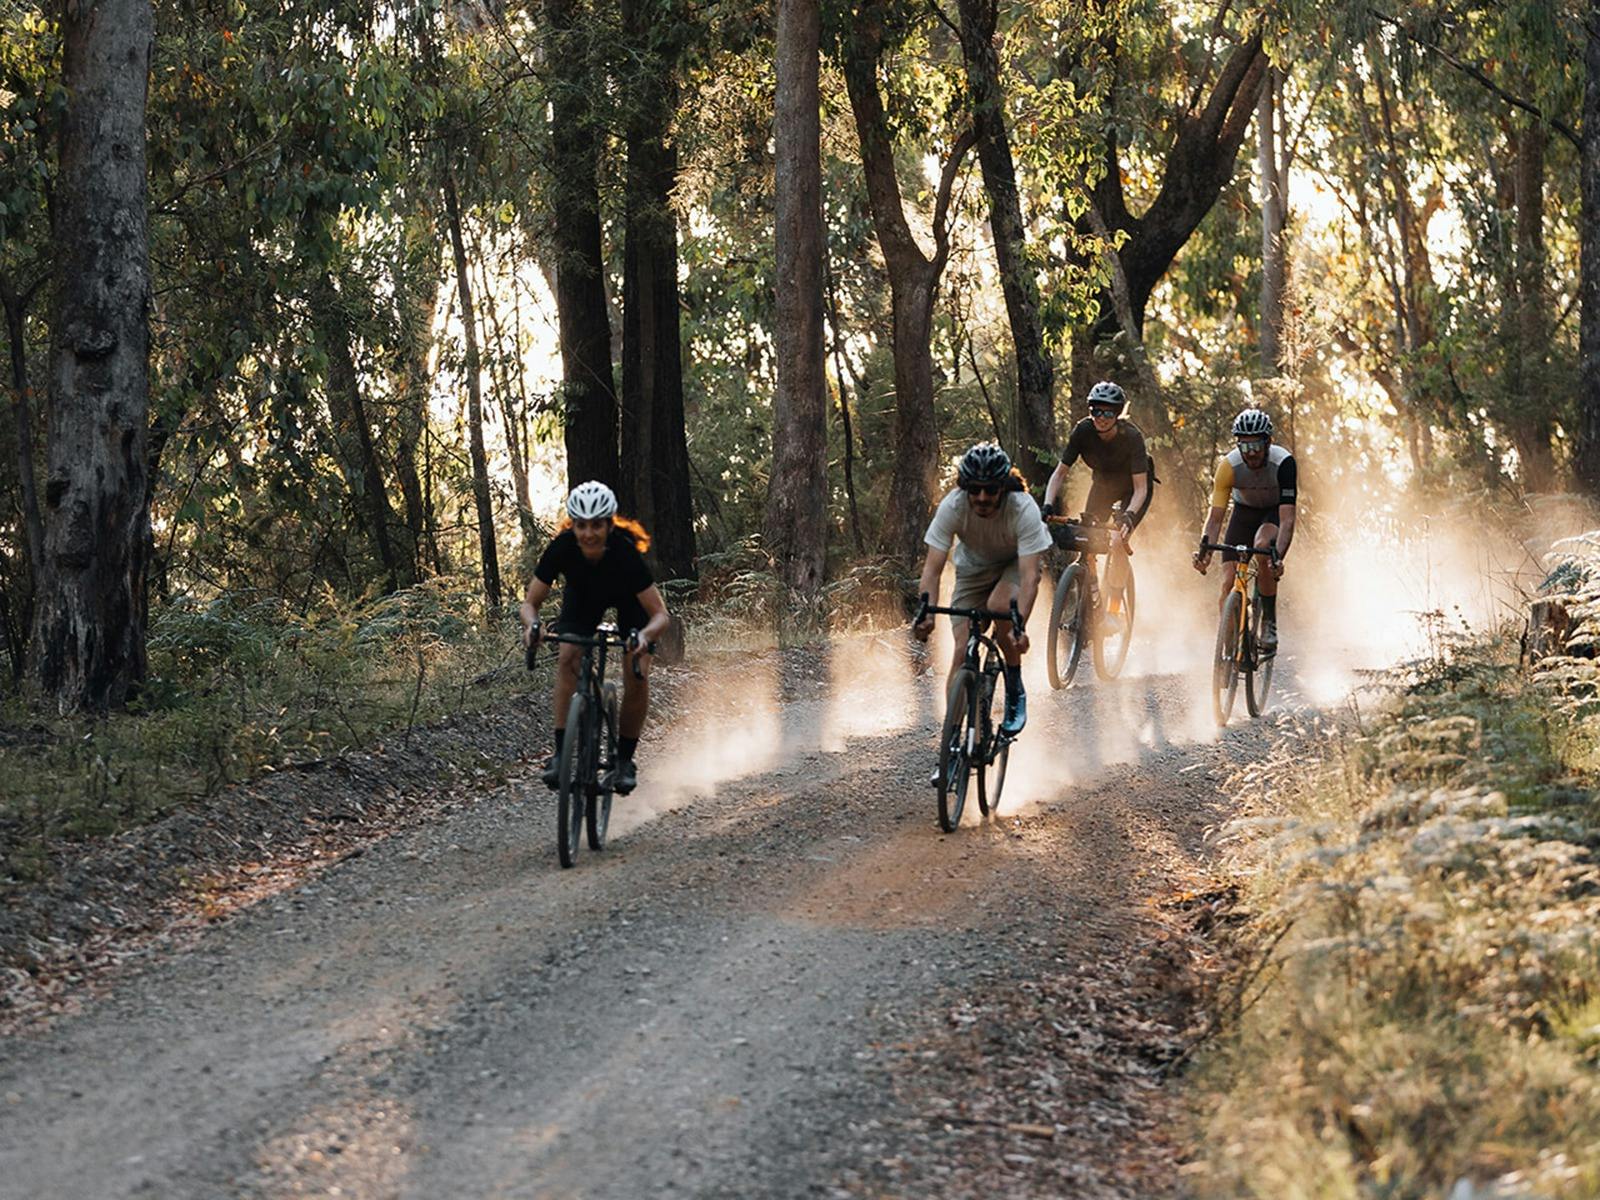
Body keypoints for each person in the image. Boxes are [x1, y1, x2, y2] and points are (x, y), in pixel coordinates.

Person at [520, 481, 671, 794]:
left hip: (630, 601)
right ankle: (561, 754)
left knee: (637, 670)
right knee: (567, 657)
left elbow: (660, 615)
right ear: (572, 525)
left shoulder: (625, 553)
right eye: (581, 526)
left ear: (609, 525)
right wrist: (532, 627)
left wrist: (643, 637)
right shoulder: (562, 547)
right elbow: (530, 604)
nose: (589, 534)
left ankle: (624, 761)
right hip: (583, 599)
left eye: (597, 526)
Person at [911, 442, 1052, 739]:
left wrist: (1019, 625)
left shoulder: (1023, 508)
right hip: (973, 570)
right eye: (975, 490)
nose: (982, 497)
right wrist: (925, 612)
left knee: (1000, 606)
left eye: (990, 490)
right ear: (965, 488)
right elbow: (932, 569)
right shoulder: (953, 505)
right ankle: (952, 743)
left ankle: (1014, 685)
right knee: (962, 651)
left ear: (1003, 487)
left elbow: (1029, 578)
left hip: (1015, 563)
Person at [1040, 380, 1150, 625]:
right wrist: (1047, 504)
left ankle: (1113, 611)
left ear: (1117, 413)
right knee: (1085, 538)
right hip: (1103, 486)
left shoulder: (1131, 437)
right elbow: (1059, 474)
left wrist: (1129, 515)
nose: (1101, 417)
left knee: (1118, 540)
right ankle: (1087, 601)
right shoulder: (1083, 431)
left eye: (1108, 412)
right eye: (1095, 411)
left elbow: (1141, 488)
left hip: (1133, 491)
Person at [1191, 408, 1297, 650]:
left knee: (1262, 546)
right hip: (1243, 513)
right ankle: (1230, 644)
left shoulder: (1283, 463)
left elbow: (1288, 520)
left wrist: (1277, 558)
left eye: (1256, 446)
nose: (1251, 453)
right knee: (1227, 583)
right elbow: (1215, 518)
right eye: (1244, 446)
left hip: (1273, 512)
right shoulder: (1228, 466)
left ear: (1268, 441)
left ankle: (1268, 622)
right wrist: (1204, 551)